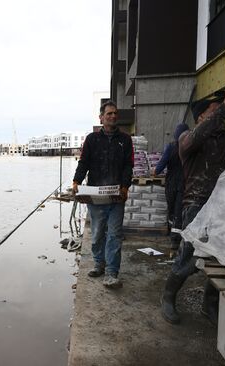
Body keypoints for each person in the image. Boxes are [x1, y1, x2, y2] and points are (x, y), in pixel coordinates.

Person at [161, 85, 225, 324]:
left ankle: (209, 304)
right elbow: (195, 138)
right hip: (197, 205)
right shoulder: (187, 139)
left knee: (222, 258)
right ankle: (168, 297)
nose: (221, 112)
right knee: (188, 255)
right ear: (201, 117)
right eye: (215, 110)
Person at [72, 101, 133, 289]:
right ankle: (99, 263)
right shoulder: (91, 140)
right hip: (96, 196)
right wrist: (76, 181)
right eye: (109, 114)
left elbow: (128, 166)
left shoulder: (125, 140)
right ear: (101, 117)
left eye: (115, 113)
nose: (113, 116)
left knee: (114, 234)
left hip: (116, 197)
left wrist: (125, 187)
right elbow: (84, 162)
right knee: (98, 234)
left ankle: (111, 273)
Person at [153, 123, 189, 258]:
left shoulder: (171, 147)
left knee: (173, 210)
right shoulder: (189, 148)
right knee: (180, 211)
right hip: (185, 183)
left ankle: (173, 238)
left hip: (172, 183)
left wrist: (155, 171)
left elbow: (161, 165)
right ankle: (176, 238)